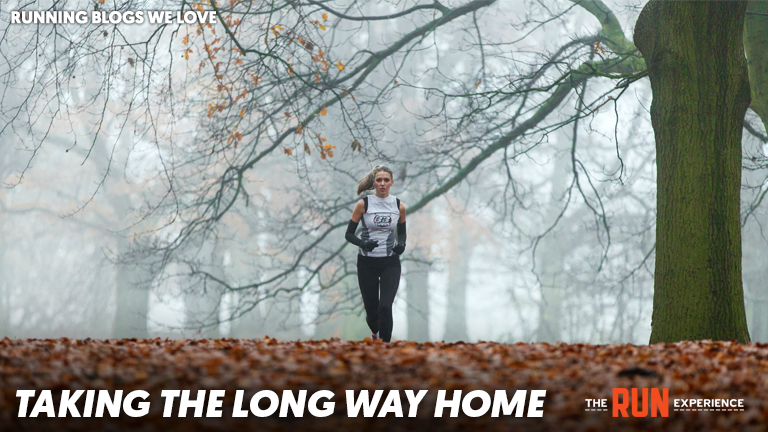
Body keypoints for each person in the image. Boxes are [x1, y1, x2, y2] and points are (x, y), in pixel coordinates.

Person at [344, 165, 406, 343]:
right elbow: (348, 234)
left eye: (386, 180)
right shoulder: (364, 204)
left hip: (390, 263)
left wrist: (401, 244)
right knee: (372, 315)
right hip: (366, 263)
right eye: (379, 180)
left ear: (392, 182)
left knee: (385, 307)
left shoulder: (398, 206)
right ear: (373, 182)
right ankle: (375, 333)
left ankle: (385, 348)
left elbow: (401, 233)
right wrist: (363, 243)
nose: (383, 183)